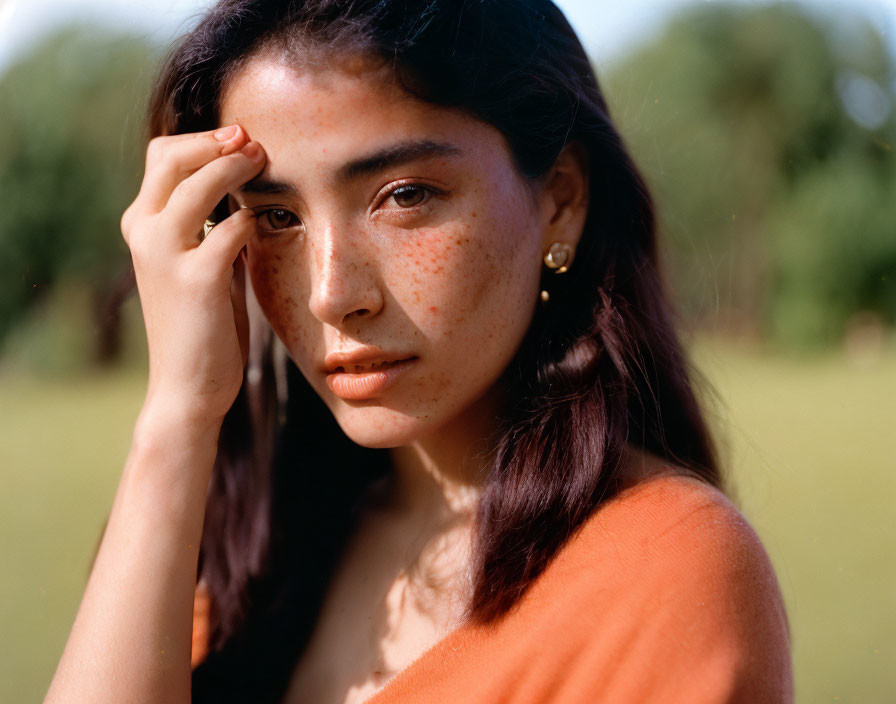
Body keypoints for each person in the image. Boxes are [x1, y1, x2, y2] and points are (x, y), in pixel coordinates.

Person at [43, 1, 793, 703]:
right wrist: (177, 417)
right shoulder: (238, 545)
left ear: (560, 198)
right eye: (275, 215)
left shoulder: (662, 569)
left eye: (403, 196)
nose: (332, 294)